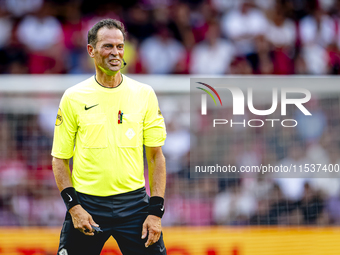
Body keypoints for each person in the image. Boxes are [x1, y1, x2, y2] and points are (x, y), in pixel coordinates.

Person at [51, 19, 167, 255]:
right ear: (91, 51)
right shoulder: (73, 97)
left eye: (120, 46)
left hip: (135, 205)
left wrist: (155, 212)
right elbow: (59, 159)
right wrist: (74, 208)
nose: (115, 52)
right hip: (87, 205)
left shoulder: (144, 94)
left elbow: (156, 157)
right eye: (107, 46)